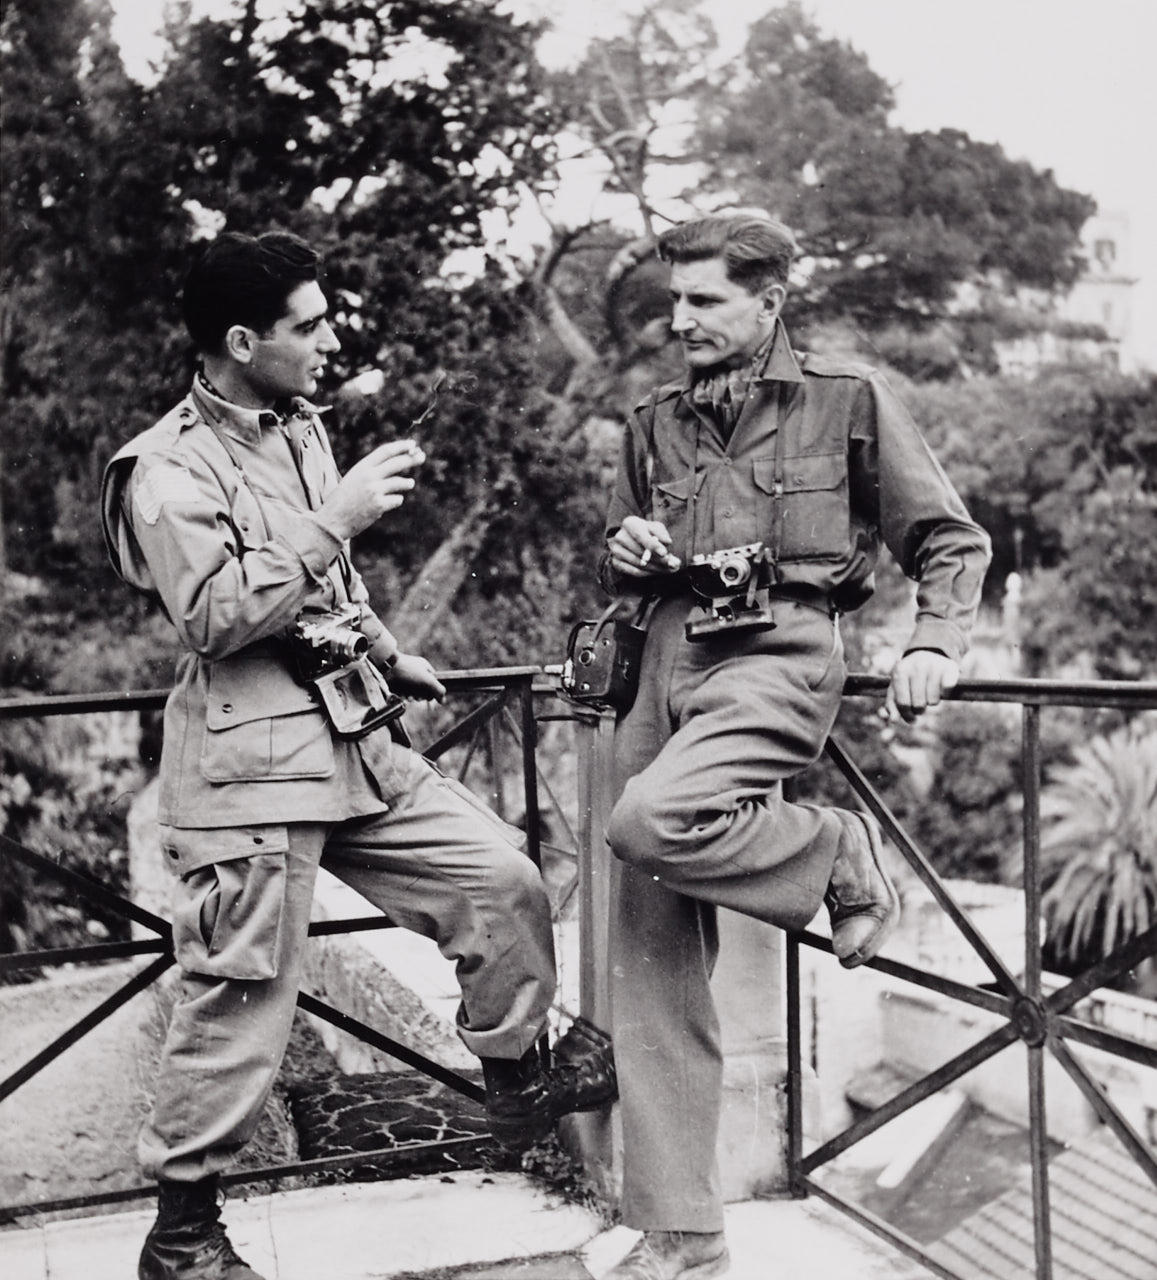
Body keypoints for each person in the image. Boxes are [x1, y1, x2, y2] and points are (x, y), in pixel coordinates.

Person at [101, 230, 613, 1280]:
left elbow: (332, 593)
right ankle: (183, 1233)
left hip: (349, 733)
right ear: (242, 340)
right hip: (248, 764)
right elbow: (212, 616)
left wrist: (390, 649)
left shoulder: (298, 428)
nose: (331, 339)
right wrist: (332, 519)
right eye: (310, 324)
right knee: (243, 993)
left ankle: (515, 1080)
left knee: (500, 879)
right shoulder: (162, 468)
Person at [597, 210, 991, 1280]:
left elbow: (946, 539)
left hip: (775, 653)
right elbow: (626, 552)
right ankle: (684, 1227)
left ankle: (833, 849)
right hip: (661, 655)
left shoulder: (846, 398)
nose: (678, 321)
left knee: (649, 822)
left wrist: (934, 640)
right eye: (673, 301)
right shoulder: (655, 419)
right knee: (646, 946)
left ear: (768, 300)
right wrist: (629, 547)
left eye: (704, 300)